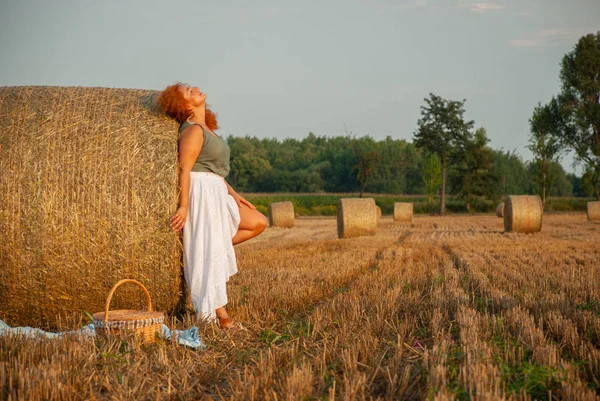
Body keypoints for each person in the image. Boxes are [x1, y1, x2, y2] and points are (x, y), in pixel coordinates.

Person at [157, 83, 267, 329]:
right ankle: (222, 315)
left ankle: (200, 255)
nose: (195, 88)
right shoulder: (193, 131)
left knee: (257, 222)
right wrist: (184, 206)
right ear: (185, 105)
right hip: (202, 193)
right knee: (210, 251)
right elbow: (184, 169)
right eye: (188, 91)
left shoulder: (206, 128)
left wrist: (235, 195)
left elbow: (215, 169)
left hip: (216, 189)